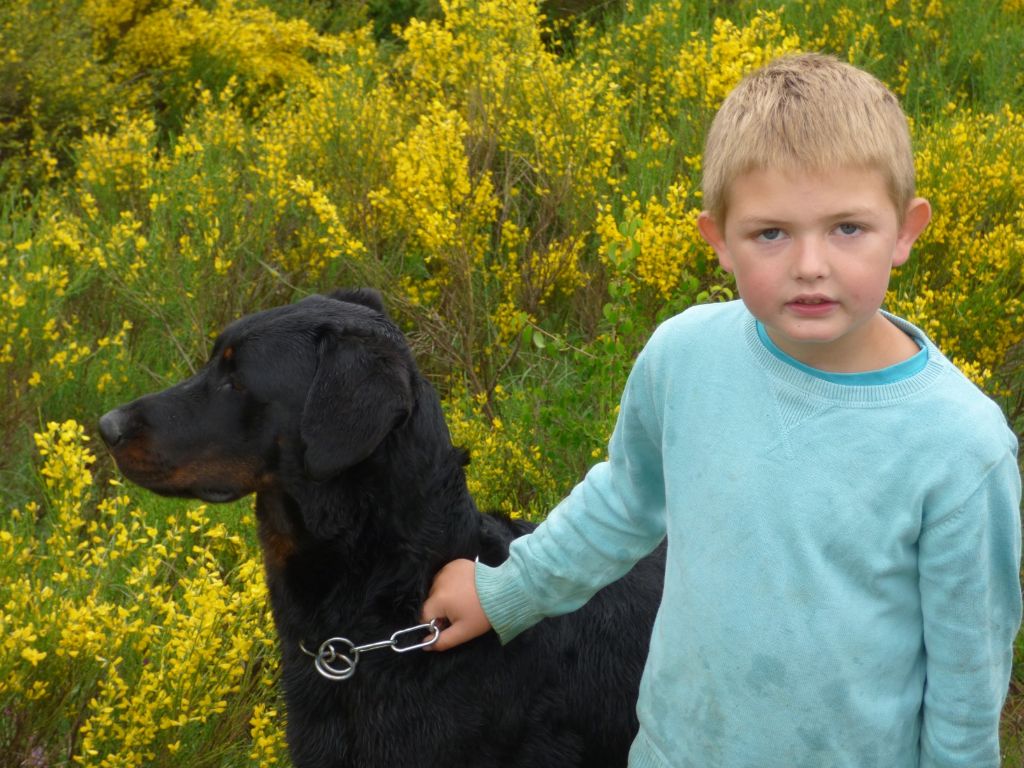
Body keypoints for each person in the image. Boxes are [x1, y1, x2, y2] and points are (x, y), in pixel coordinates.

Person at [420, 52, 1023, 767]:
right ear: (718, 242)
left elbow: (966, 677)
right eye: (771, 233)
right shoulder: (685, 357)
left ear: (906, 230)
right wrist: (509, 590)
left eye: (847, 229)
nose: (809, 265)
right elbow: (623, 502)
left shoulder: (960, 445)